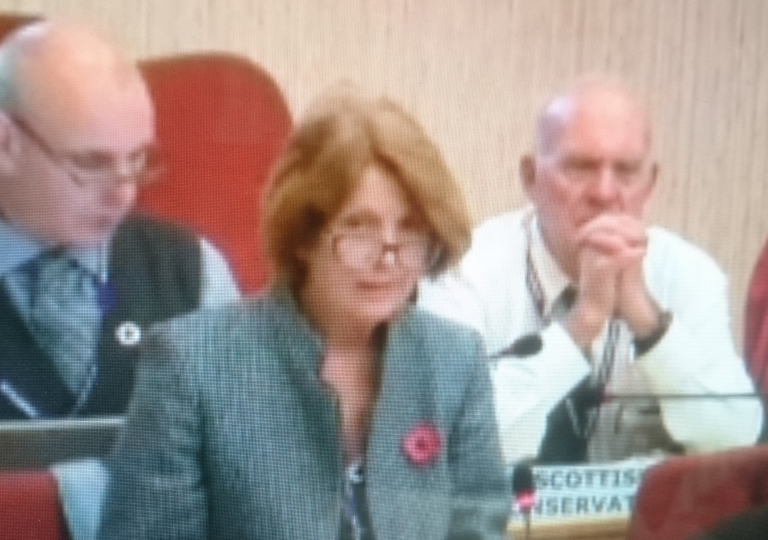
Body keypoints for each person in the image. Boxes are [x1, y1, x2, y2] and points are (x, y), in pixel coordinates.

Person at [99, 91, 511, 540]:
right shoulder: (190, 363)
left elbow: (478, 527)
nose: (389, 258)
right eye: (358, 227)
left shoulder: (455, 359)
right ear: (303, 237)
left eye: (411, 229)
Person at [419, 80, 763, 464]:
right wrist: (583, 323)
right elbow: (448, 439)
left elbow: (735, 440)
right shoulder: (464, 271)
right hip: (500, 505)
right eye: (580, 168)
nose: (604, 193)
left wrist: (649, 323)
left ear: (650, 186)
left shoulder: (688, 273)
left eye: (626, 171)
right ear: (530, 178)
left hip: (641, 506)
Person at [0, 20, 239, 420]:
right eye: (91, 163)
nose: (123, 195)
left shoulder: (193, 271)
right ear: (3, 141)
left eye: (138, 160)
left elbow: (244, 442)